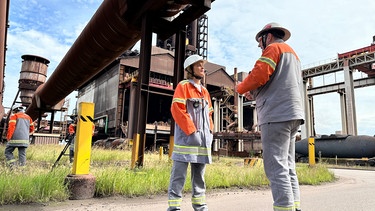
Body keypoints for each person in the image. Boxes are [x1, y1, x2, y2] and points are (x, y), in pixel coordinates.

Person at [236, 22, 305, 211]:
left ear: (269, 36)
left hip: (276, 114)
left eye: (260, 40)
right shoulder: (293, 54)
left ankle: (283, 207)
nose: (259, 45)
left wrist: (242, 88)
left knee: (275, 166)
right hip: (293, 114)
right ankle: (294, 206)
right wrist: (255, 93)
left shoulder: (273, 49)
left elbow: (259, 75)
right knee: (288, 164)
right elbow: (278, 82)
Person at [167, 54, 214, 211]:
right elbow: (177, 109)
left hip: (203, 141)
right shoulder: (183, 86)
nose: (202, 68)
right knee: (179, 175)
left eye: (202, 65)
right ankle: (174, 207)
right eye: (199, 65)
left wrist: (210, 132)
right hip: (187, 140)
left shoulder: (205, 92)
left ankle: (200, 206)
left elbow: (209, 114)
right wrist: (191, 131)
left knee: (199, 177)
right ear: (190, 69)